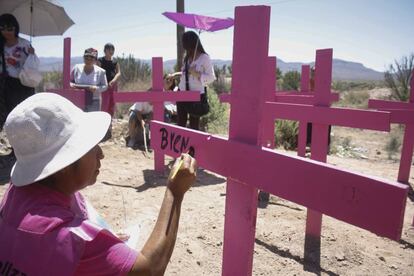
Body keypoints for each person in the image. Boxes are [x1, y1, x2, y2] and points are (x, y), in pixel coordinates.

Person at [0, 93, 197, 275]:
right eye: (89, 146)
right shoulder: (73, 238)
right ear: (63, 165)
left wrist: (103, 246)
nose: (101, 154)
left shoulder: (15, 194)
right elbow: (149, 270)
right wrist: (174, 192)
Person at [0, 14, 36, 130]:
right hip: (7, 85)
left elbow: (32, 64)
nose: (6, 31)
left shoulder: (24, 44)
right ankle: (14, 143)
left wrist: (32, 54)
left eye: (10, 28)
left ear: (15, 27)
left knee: (26, 113)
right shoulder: (1, 45)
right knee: (11, 115)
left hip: (24, 83)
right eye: (2, 28)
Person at [175, 31, 215, 130]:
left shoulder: (204, 58)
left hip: (195, 95)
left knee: (194, 125)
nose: (184, 46)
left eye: (185, 43)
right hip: (182, 93)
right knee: (181, 124)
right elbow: (185, 75)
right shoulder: (187, 57)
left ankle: (193, 145)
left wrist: (196, 74)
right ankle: (181, 145)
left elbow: (211, 77)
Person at [126, 75, 178, 150]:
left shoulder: (158, 101)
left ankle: (154, 140)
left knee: (160, 118)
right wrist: (142, 121)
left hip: (148, 114)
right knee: (132, 117)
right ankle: (132, 138)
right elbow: (137, 111)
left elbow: (154, 113)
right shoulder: (143, 98)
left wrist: (148, 120)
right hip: (137, 113)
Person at [70, 48, 108, 112]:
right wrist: (71, 85)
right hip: (77, 99)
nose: (88, 60)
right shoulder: (76, 68)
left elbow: (105, 86)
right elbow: (69, 81)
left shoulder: (101, 71)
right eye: (86, 58)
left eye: (91, 58)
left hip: (94, 101)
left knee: (92, 120)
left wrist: (96, 88)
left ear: (95, 60)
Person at [97, 43, 121, 117]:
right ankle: (103, 121)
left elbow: (118, 73)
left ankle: (110, 122)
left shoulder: (115, 61)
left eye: (112, 49)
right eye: (109, 49)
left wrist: (113, 81)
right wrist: (104, 82)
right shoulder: (100, 60)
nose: (111, 51)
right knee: (105, 104)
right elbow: (98, 72)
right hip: (104, 86)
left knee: (112, 104)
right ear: (105, 50)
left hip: (113, 85)